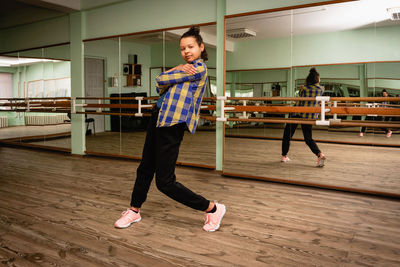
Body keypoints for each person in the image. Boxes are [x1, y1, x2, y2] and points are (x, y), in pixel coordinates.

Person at [114, 27, 226, 232]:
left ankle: (212, 208)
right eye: (183, 48)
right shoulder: (184, 68)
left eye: (191, 47)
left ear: (201, 47)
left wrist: (175, 71)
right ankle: (134, 210)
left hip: (173, 123)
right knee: (145, 167)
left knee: (165, 182)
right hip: (158, 116)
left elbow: (162, 79)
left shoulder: (199, 68)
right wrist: (177, 69)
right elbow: (159, 83)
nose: (187, 51)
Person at [281, 68, 326, 167]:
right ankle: (319, 154)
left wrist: (303, 87)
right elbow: (318, 88)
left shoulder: (303, 88)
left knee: (287, 135)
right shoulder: (321, 89)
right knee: (308, 138)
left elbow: (300, 98)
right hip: (308, 116)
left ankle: (284, 156)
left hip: (296, 113)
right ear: (317, 79)